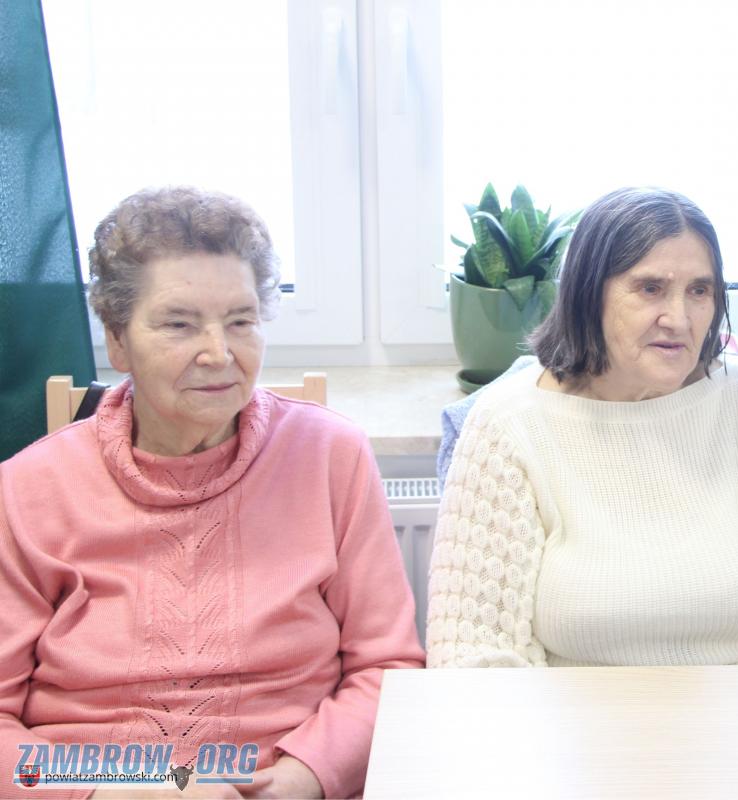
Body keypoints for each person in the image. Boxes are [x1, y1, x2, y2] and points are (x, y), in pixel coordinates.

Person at [0, 187, 424, 799]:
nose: (219, 354)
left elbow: (387, 667)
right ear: (117, 340)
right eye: (179, 324)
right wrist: (118, 791)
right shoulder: (29, 487)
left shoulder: (331, 457)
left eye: (241, 322)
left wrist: (301, 779)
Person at [426, 187, 738, 668]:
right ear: (586, 295)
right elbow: (472, 658)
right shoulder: (508, 424)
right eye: (650, 288)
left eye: (699, 291)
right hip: (574, 715)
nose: (678, 319)